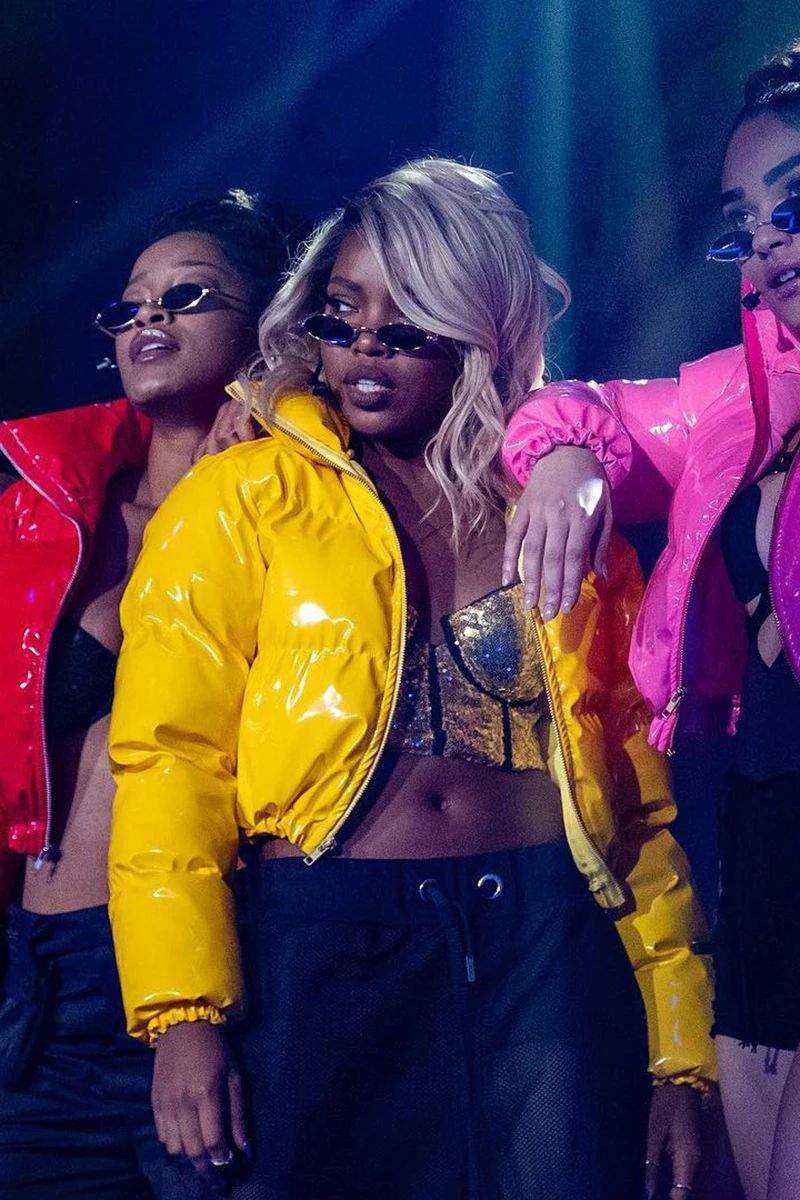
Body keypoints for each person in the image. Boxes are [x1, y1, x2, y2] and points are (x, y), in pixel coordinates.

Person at [108, 158, 714, 1200]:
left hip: (547, 943)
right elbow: (170, 762)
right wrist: (183, 1013)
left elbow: (632, 798)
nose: (365, 349)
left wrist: (679, 1054)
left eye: (408, 324)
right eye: (342, 316)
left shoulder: (555, 505)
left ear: (480, 329)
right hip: (324, 944)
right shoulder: (239, 496)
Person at [502, 41, 800, 1200]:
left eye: (792, 205)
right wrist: (566, 461)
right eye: (743, 224)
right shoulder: (740, 394)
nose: (767, 243)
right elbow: (575, 411)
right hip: (764, 851)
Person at [0, 189, 287, 1198]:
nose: (148, 317)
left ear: (267, 326)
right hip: (41, 981)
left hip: (227, 969)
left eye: (187, 295)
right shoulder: (40, 518)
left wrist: (280, 418)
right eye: (129, 305)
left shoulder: (301, 509)